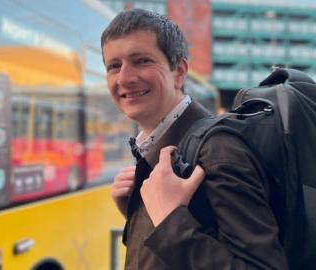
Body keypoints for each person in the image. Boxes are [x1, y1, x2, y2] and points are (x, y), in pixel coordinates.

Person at [101, 8, 288, 269]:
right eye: (114, 66)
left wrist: (168, 221)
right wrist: (138, 215)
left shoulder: (218, 151)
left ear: (179, 72)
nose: (125, 78)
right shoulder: (160, 147)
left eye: (141, 60)